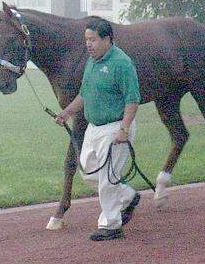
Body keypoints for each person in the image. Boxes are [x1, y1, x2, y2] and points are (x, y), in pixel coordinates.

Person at [54, 17, 142, 241]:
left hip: (115, 128)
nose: (88, 44)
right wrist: (67, 112)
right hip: (94, 128)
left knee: (107, 179)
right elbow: (84, 94)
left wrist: (124, 128)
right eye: (86, 39)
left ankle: (111, 225)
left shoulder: (122, 63)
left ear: (107, 39)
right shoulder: (92, 62)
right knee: (88, 172)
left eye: (92, 40)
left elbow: (133, 100)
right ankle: (128, 196)